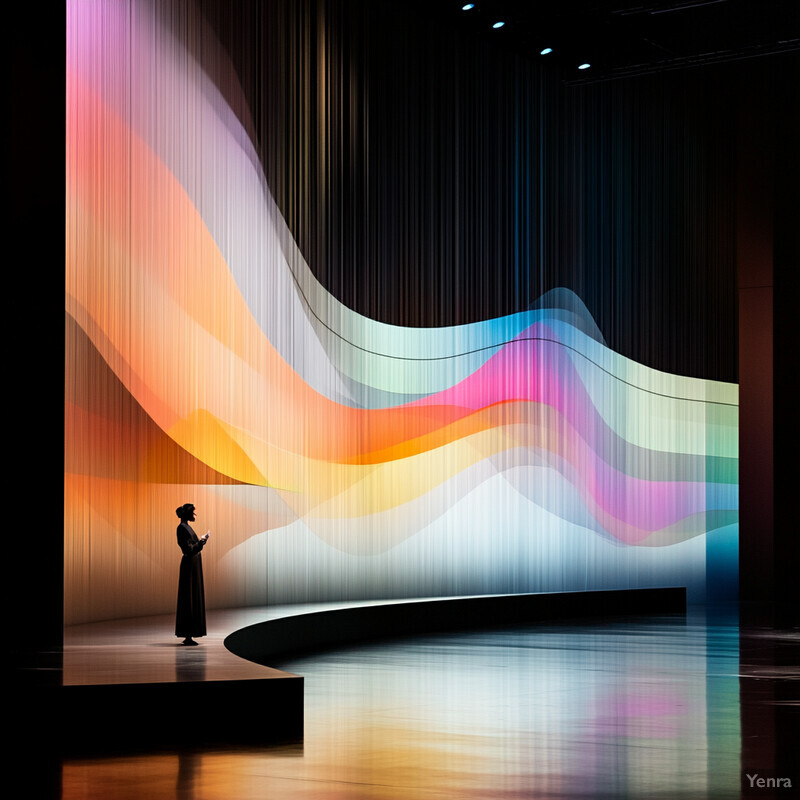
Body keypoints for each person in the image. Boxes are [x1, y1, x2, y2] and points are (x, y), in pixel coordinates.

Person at [175, 503, 210, 645]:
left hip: (192, 565)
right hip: (189, 566)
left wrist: (201, 542)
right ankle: (188, 634)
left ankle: (190, 633)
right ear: (188, 514)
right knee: (189, 597)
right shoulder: (182, 528)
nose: (195, 515)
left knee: (192, 596)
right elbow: (188, 550)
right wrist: (201, 542)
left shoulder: (186, 527)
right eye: (194, 513)